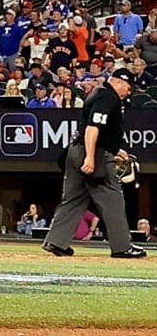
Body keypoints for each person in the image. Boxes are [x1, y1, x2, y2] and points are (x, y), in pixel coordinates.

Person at [44, 69, 146, 258]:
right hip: (93, 153)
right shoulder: (108, 97)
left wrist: (116, 150)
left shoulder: (98, 93)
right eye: (128, 87)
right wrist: (90, 158)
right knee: (113, 199)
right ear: (118, 82)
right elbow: (93, 128)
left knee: (73, 199)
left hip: (76, 150)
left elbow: (99, 131)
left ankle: (56, 242)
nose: (129, 92)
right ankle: (122, 247)